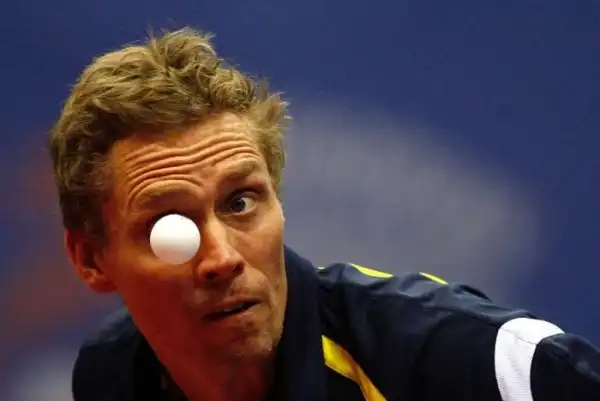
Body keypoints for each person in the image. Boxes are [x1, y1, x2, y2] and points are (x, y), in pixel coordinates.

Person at [48, 27, 600, 401]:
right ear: (91, 259)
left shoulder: (471, 362)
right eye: (168, 226)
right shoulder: (114, 376)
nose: (221, 258)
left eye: (240, 203)